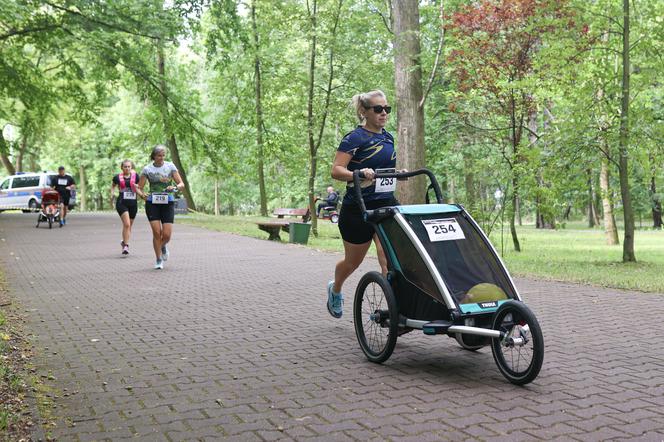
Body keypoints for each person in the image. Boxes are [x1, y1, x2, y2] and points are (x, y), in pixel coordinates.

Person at [326, 90, 398, 318]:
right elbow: (336, 170)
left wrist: (398, 173)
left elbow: (383, 171)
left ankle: (394, 308)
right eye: (378, 109)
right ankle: (335, 288)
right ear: (364, 112)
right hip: (358, 207)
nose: (384, 113)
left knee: (388, 257)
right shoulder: (354, 138)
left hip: (385, 203)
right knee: (352, 262)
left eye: (387, 109)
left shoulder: (388, 138)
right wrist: (358, 173)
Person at [136, 145, 185, 270]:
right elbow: (138, 187)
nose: (161, 158)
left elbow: (181, 184)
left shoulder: (170, 166)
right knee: (157, 233)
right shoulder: (147, 169)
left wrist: (174, 188)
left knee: (167, 235)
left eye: (163, 155)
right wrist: (142, 195)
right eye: (159, 155)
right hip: (152, 203)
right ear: (154, 156)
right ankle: (158, 259)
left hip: (167, 202)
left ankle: (162, 246)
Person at [110, 160, 139, 255]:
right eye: (125, 166)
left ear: (131, 167)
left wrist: (142, 195)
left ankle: (124, 242)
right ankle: (126, 246)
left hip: (133, 203)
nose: (127, 168)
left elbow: (139, 187)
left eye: (129, 166)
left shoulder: (136, 177)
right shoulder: (117, 177)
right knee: (126, 224)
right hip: (122, 203)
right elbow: (113, 186)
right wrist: (112, 193)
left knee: (129, 226)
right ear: (122, 168)